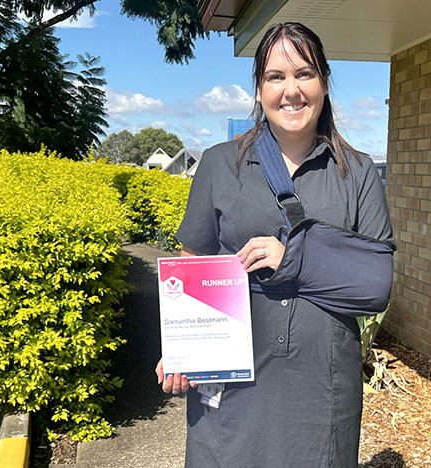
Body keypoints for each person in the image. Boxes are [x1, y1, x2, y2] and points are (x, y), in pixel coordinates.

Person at [154, 22, 394, 468]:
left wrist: (293, 259)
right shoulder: (219, 164)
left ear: (323, 81)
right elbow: (191, 268)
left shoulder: (357, 172)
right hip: (232, 380)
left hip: (323, 387)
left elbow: (375, 285)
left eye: (304, 74)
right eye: (275, 77)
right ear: (259, 88)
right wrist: (180, 348)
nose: (291, 90)